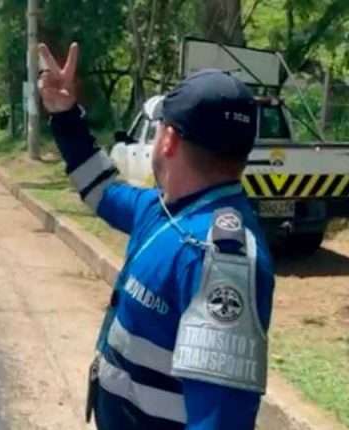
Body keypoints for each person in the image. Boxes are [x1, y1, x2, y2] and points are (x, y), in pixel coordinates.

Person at [37, 42, 275, 430]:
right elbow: (102, 191)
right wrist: (65, 117)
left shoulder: (219, 259)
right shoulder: (165, 209)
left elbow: (220, 420)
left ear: (168, 140)